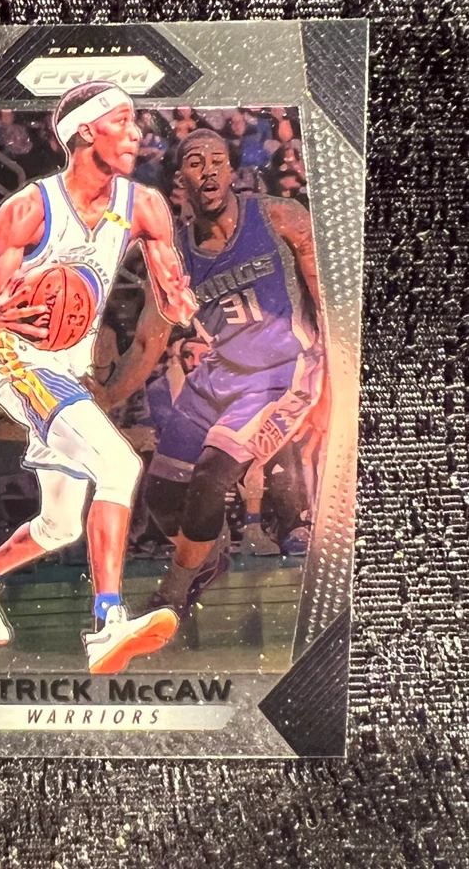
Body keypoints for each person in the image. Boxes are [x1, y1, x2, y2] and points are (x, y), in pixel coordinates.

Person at [0, 80, 197, 674]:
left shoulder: (144, 205)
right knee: (120, 466)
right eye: (122, 121)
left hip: (71, 371)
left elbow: (170, 287)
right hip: (22, 363)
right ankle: (107, 623)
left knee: (58, 526)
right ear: (86, 131)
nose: (136, 133)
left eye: (136, 122)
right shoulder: (28, 209)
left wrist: (176, 302)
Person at [137, 127, 327, 615]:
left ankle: (172, 593)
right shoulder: (174, 255)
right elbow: (146, 341)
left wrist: (342, 377)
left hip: (283, 372)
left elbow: (327, 296)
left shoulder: (280, 215)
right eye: (195, 162)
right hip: (221, 370)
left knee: (210, 477)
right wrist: (108, 392)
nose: (209, 170)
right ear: (180, 181)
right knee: (159, 495)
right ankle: (209, 554)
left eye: (217, 160)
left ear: (231, 170)